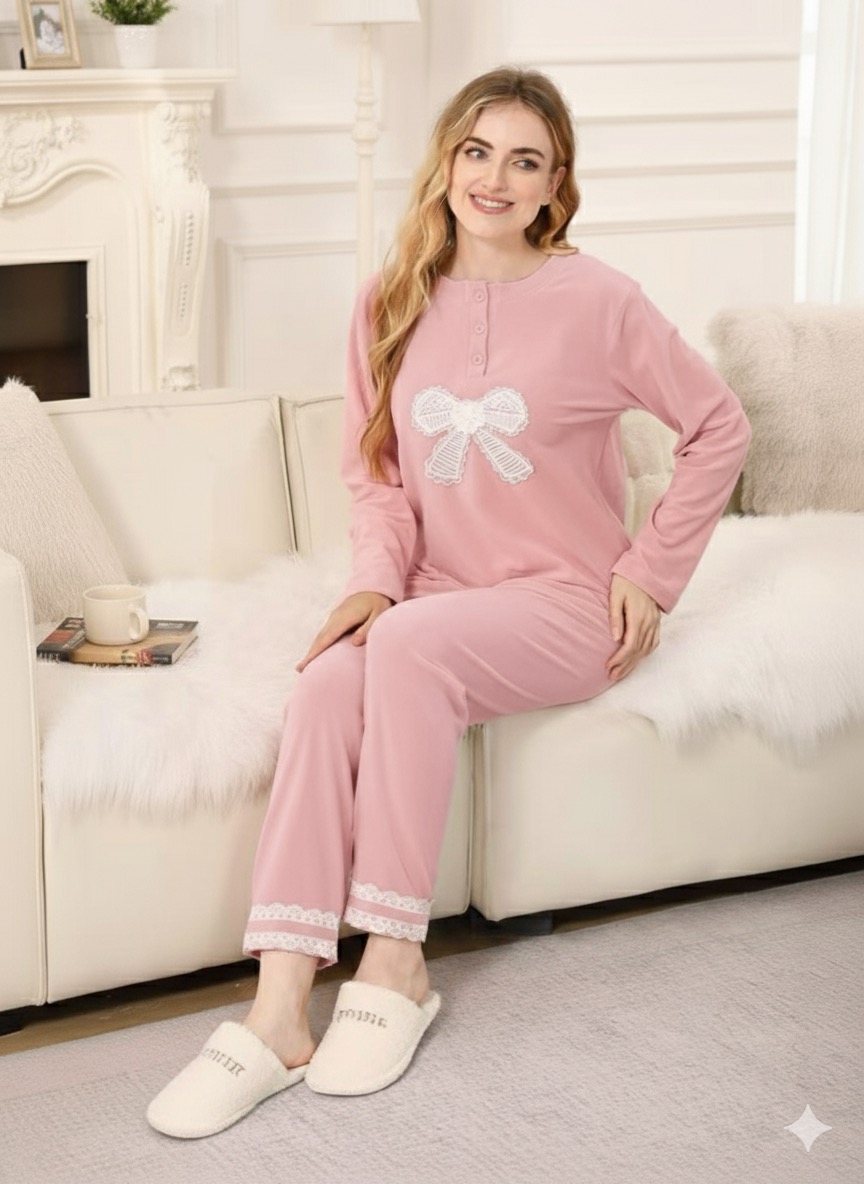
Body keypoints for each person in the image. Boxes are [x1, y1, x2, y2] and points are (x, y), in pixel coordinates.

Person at [146, 65, 751, 1138]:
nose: (495, 178)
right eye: (478, 152)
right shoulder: (390, 299)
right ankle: (280, 1008)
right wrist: (375, 581)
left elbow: (720, 427)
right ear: (446, 160)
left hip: (567, 604)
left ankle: (395, 956)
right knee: (325, 685)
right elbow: (375, 476)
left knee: (411, 647)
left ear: (556, 184)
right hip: (429, 599)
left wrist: (650, 570)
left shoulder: (600, 301)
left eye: (525, 160)